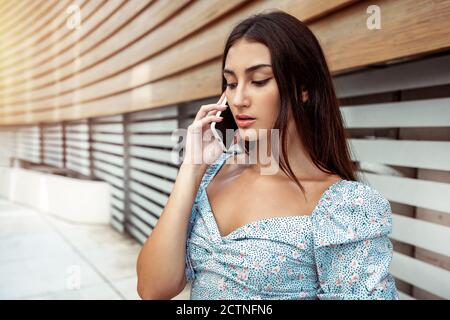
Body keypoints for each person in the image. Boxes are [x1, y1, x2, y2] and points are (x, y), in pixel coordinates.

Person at [136, 10, 398, 300]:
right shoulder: (212, 173)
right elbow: (152, 289)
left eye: (259, 81)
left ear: (304, 89)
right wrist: (191, 168)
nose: (238, 99)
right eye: (231, 83)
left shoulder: (343, 207)